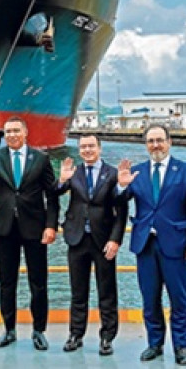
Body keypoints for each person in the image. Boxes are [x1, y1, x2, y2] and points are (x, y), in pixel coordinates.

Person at [117, 124, 186, 366]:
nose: (155, 145)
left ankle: (181, 346)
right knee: (150, 298)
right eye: (150, 141)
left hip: (177, 245)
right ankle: (154, 344)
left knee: (179, 298)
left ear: (169, 142)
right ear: (145, 145)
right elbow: (118, 202)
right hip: (146, 245)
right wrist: (121, 186)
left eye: (159, 140)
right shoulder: (137, 172)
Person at [0, 117, 59, 351]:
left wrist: (51, 225)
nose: (11, 135)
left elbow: (52, 196)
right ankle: (8, 328)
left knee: (38, 282)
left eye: (15, 131)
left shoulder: (41, 159)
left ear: (25, 132)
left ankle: (39, 330)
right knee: (6, 281)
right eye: (7, 131)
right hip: (5, 228)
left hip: (35, 228)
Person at [57, 134, 127, 355]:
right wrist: (61, 181)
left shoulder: (113, 174)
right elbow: (53, 193)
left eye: (91, 146)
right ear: (79, 150)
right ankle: (75, 334)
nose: (87, 150)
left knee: (107, 291)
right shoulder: (73, 172)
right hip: (77, 239)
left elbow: (121, 211)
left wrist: (115, 239)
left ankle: (107, 337)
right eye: (83, 147)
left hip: (103, 240)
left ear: (99, 148)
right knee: (78, 291)